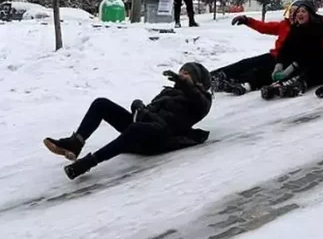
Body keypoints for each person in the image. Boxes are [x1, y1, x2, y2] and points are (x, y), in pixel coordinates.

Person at [43, 63, 212, 180]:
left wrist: (186, 85)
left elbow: (198, 101)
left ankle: (88, 162)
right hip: (143, 130)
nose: (181, 74)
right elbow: (150, 111)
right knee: (101, 104)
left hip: (160, 139)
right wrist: (138, 106)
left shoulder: (202, 101)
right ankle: (75, 143)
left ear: (198, 81)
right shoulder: (168, 92)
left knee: (137, 128)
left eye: (187, 73)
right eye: (181, 71)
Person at [211, 6, 295, 96]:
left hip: (287, 63)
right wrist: (247, 21)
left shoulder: (303, 30)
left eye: (295, 12)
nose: (292, 15)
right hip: (274, 56)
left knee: (258, 72)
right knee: (246, 63)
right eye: (290, 12)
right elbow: (264, 27)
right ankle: (213, 77)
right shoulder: (284, 25)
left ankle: (235, 83)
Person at [261, 0, 323, 99]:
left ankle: (299, 84)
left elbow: (314, 51)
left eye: (303, 11)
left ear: (310, 14)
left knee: (311, 69)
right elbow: (285, 49)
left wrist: (294, 65)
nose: (300, 14)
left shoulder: (322, 27)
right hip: (301, 63)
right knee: (288, 68)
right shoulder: (296, 29)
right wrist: (279, 65)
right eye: (298, 12)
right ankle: (278, 85)